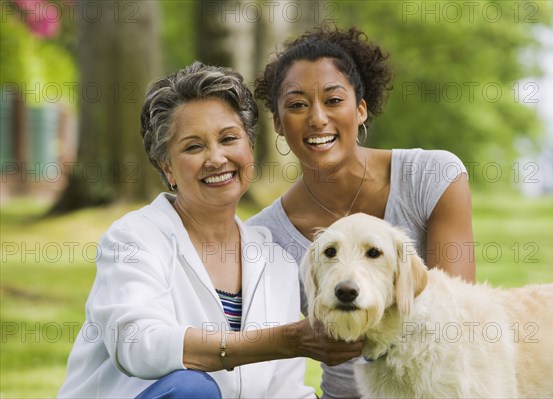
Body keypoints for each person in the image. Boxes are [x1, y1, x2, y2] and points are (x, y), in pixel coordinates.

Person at [57, 61, 362, 398]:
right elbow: (141, 346)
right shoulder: (133, 239)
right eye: (193, 146)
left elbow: (283, 391)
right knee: (191, 388)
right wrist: (285, 340)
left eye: (229, 138)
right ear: (167, 167)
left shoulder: (276, 260)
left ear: (249, 146)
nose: (216, 158)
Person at [249, 26, 477, 399]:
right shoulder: (263, 235)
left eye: (333, 100)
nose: (317, 118)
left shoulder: (432, 178)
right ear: (277, 122)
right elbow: (256, 352)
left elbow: (458, 317)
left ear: (360, 109)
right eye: (297, 104)